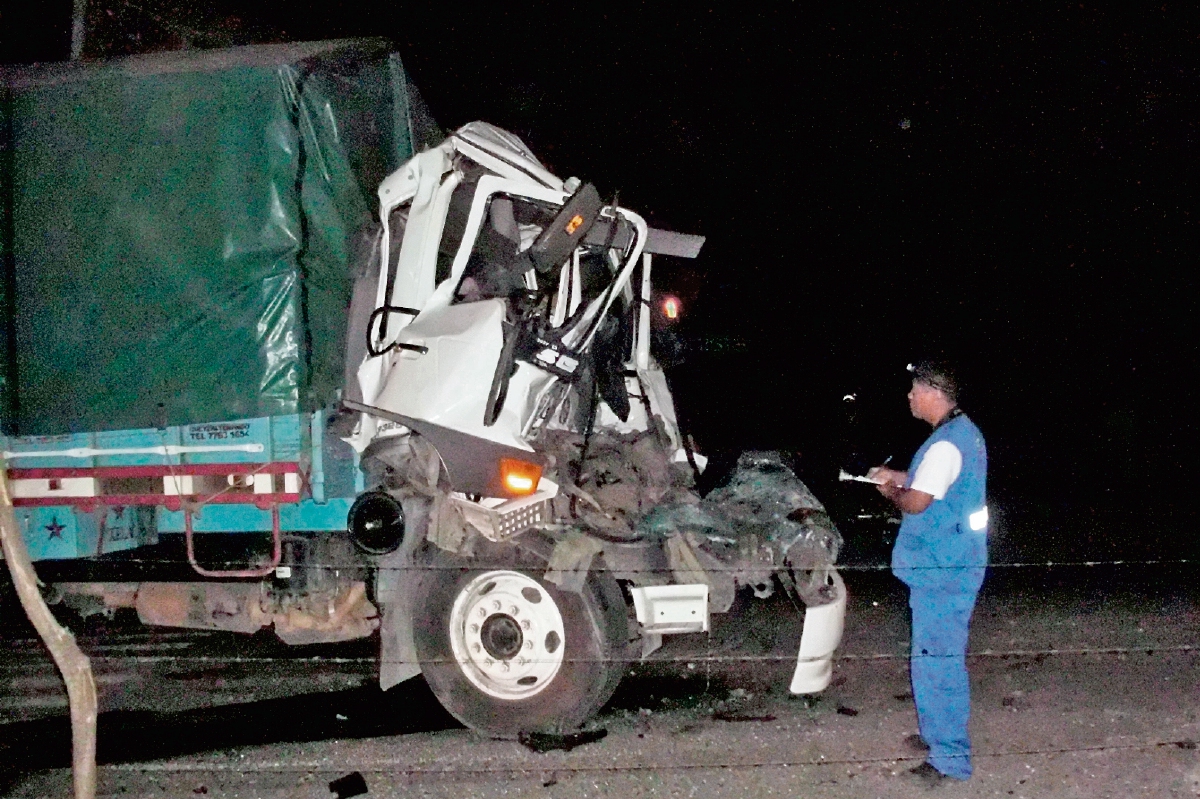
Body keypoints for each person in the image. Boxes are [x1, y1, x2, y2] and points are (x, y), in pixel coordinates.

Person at [868, 360, 988, 787]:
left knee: (938, 665)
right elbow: (934, 483)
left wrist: (890, 490)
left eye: (915, 389)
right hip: (954, 562)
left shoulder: (944, 445)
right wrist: (900, 476)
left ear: (934, 392)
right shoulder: (962, 433)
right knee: (934, 660)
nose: (909, 396)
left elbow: (917, 502)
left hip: (943, 570)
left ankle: (949, 758)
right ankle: (938, 735)